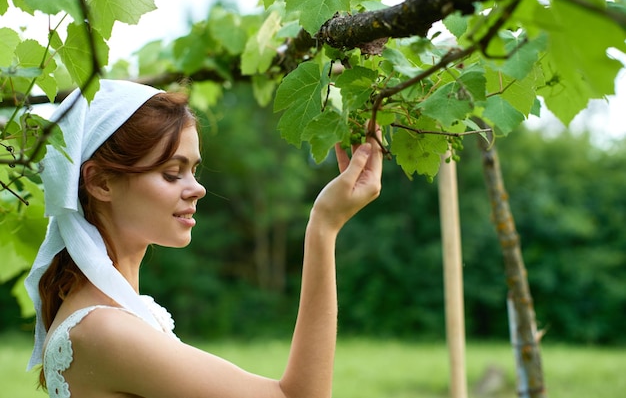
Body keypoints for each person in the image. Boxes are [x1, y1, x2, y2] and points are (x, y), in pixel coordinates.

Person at [25, 79, 383, 398]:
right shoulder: (104, 330)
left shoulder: (116, 316)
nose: (197, 188)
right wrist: (323, 226)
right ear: (101, 182)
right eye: (171, 173)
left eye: (193, 170)